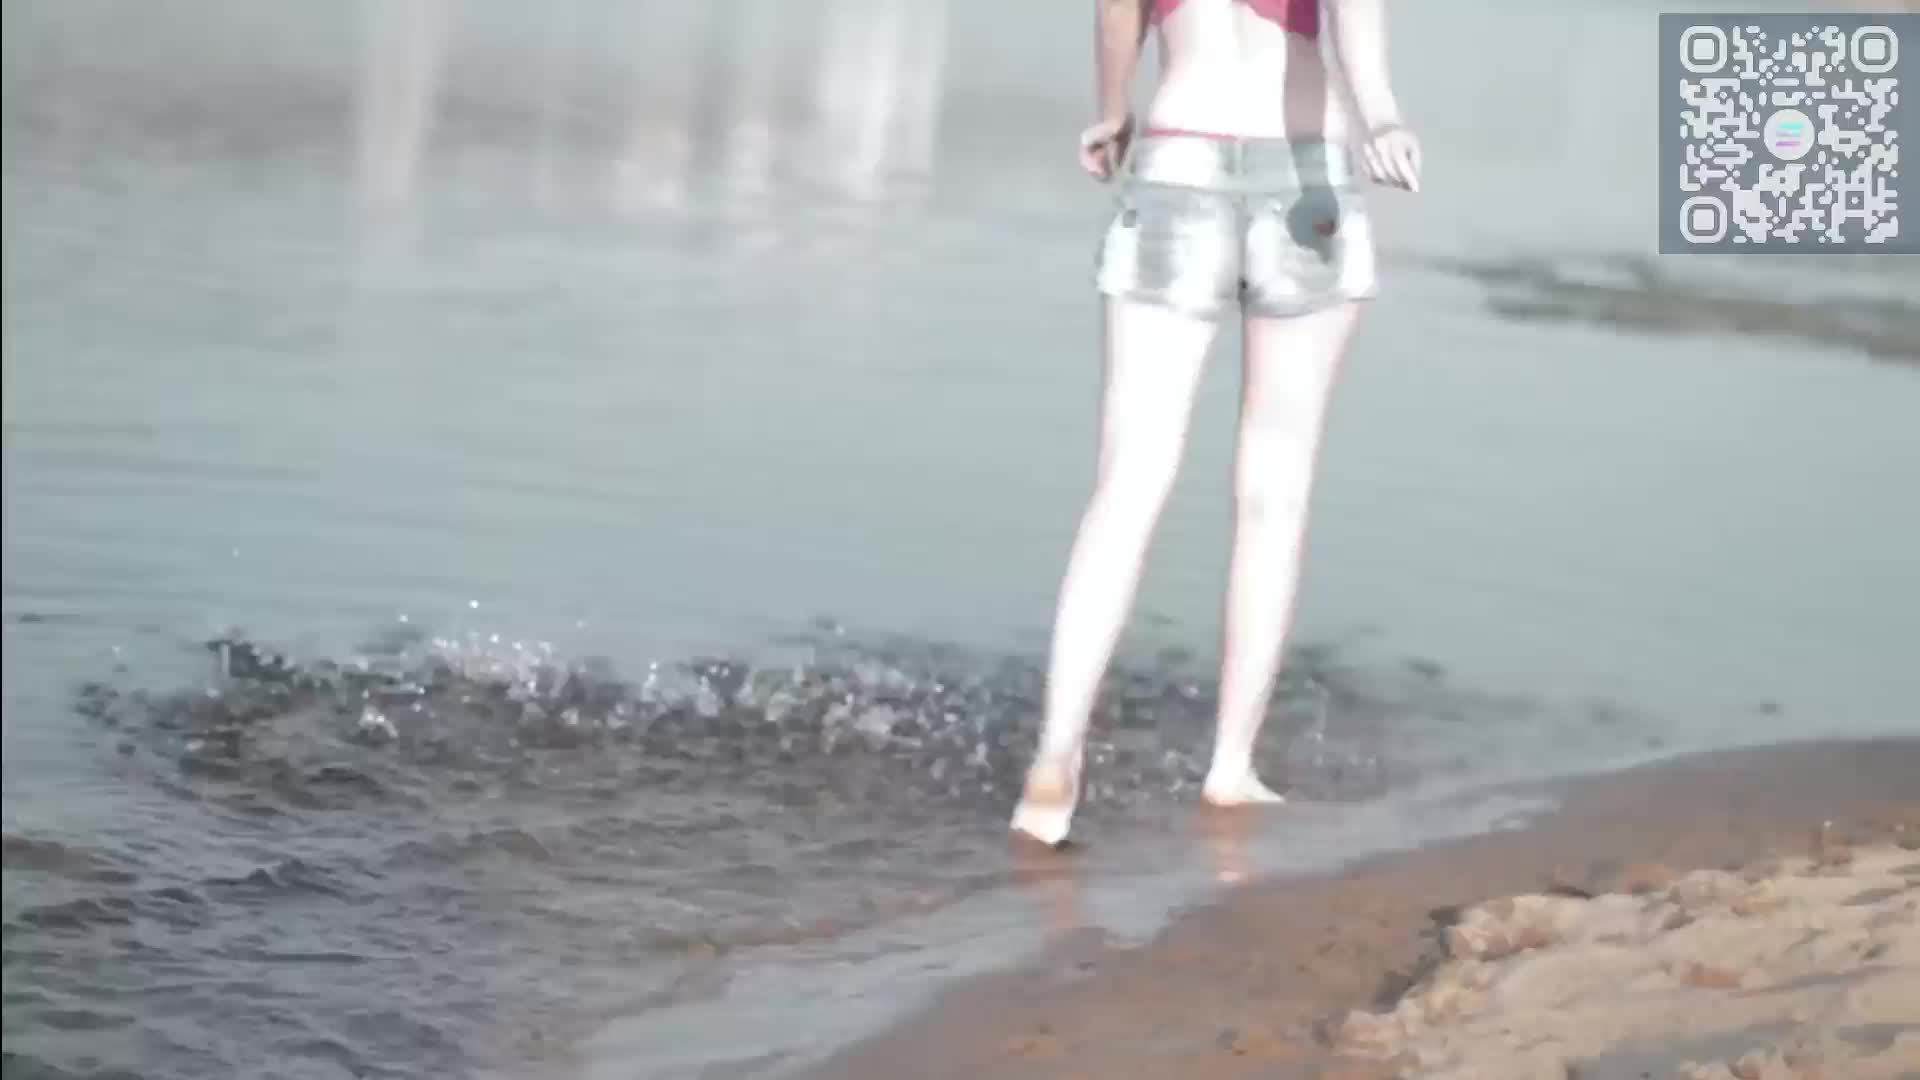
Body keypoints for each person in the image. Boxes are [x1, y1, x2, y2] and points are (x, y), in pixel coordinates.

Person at [1011, 0, 1421, 845]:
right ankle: (1229, 766)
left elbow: (1116, 17)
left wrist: (1112, 108)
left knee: (1127, 483)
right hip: (1305, 177)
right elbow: (1356, 29)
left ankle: (1055, 759)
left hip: (1177, 164)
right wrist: (1383, 118)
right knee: (1275, 488)